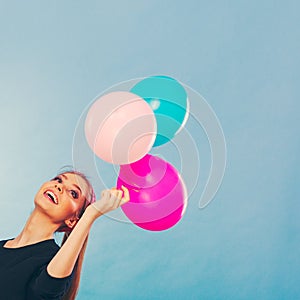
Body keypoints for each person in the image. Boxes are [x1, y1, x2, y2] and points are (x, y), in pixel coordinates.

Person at [0, 169, 129, 300]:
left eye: (73, 193)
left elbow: (47, 290)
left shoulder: (53, 262)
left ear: (72, 220)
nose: (59, 186)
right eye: (58, 180)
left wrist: (91, 214)